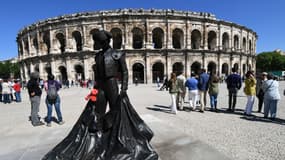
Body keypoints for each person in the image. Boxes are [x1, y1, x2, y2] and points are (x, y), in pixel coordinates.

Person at [42, 30, 158, 160]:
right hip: (101, 85)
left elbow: (125, 72)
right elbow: (97, 75)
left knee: (115, 110)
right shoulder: (97, 56)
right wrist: (95, 89)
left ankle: (114, 135)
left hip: (112, 84)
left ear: (105, 42)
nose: (97, 45)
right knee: (98, 111)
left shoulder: (117, 54)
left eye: (99, 42)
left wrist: (124, 89)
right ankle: (99, 138)